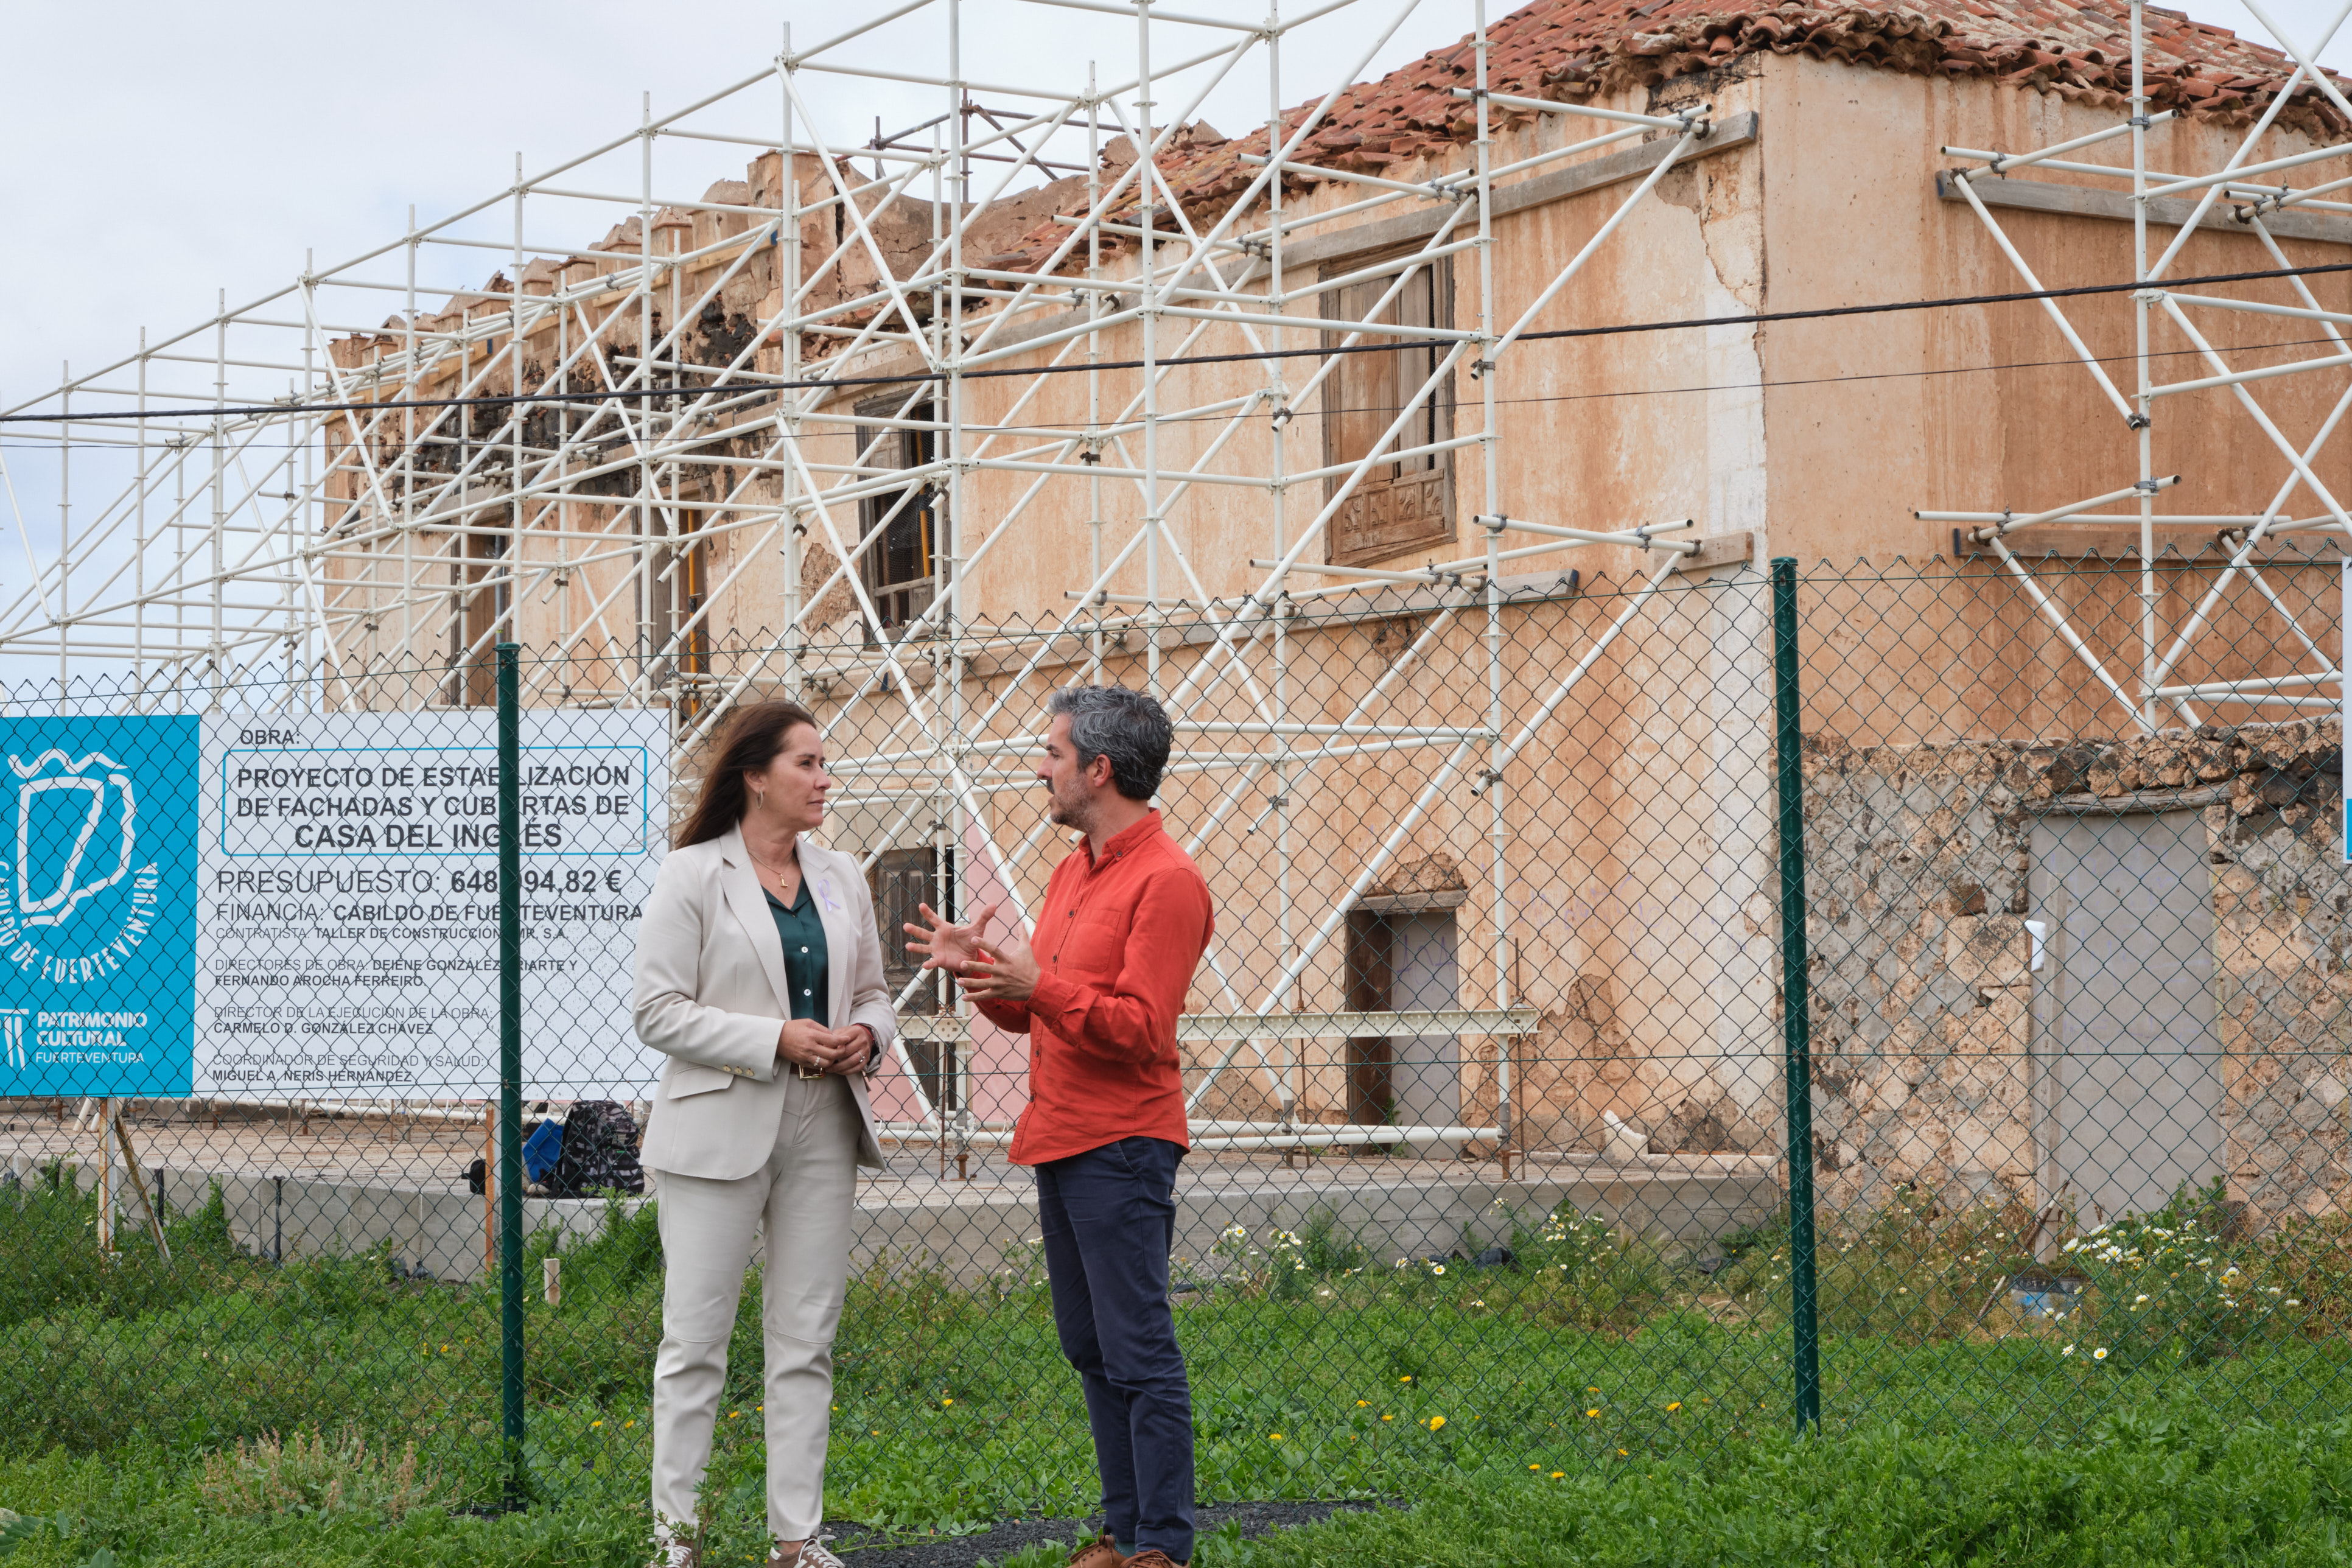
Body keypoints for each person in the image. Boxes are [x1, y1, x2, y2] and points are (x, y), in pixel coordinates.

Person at [906, 685, 1213, 1568]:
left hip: (1122, 1144)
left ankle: (1163, 1545)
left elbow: (1141, 1030)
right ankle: (1122, 1532)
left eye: (1052, 754)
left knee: (1138, 1346)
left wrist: (1037, 986)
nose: (1040, 768)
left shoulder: (1169, 882)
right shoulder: (1074, 869)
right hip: (1064, 1135)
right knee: (1088, 1342)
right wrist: (990, 977)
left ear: (1099, 770)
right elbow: (1049, 1011)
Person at [632, 701, 898, 1568]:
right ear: (756, 776)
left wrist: (869, 1035)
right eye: (808, 764)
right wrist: (773, 1039)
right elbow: (657, 1012)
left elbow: (871, 995)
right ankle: (675, 1541)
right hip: (717, 1127)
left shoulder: (843, 876)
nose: (826, 780)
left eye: (826, 764)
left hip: (824, 1121)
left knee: (805, 1339)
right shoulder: (692, 874)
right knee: (695, 1344)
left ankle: (796, 1540)